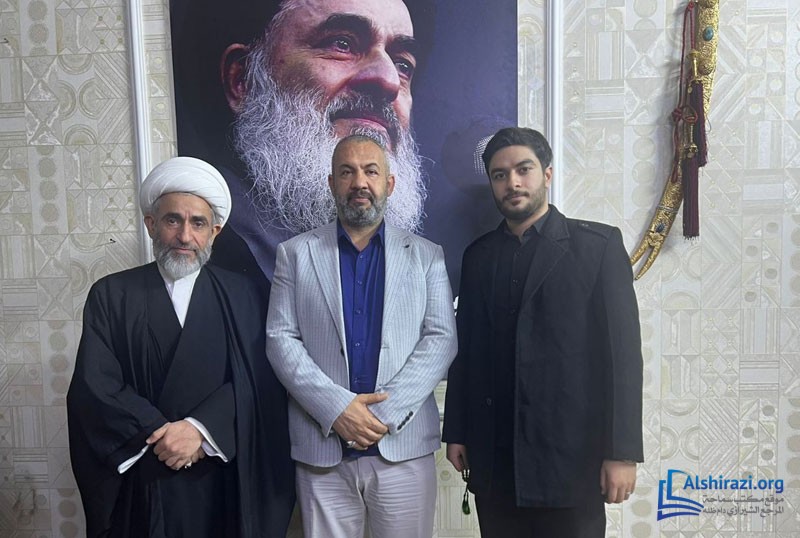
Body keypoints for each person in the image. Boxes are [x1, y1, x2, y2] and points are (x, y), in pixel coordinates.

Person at [66, 157, 295, 538]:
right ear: (151, 224)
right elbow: (96, 386)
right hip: (145, 475)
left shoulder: (246, 295)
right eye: (173, 220)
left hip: (222, 478)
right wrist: (162, 434)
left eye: (198, 223)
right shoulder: (111, 295)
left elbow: (260, 382)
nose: (185, 236)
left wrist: (200, 431)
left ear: (215, 232)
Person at [442, 127, 644, 537]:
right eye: (500, 175)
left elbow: (623, 358)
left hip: (571, 460)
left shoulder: (597, 247)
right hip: (495, 461)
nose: (512, 183)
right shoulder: (478, 257)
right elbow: (467, 353)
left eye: (524, 169)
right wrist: (458, 432)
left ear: (547, 174)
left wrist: (622, 453)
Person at [266, 135, 458, 538]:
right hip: (322, 450)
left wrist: (381, 416)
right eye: (347, 172)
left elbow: (441, 339)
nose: (359, 182)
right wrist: (337, 409)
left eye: (371, 171)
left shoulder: (427, 256)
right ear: (331, 183)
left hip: (403, 446)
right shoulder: (294, 254)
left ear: (389, 183)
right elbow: (281, 340)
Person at [171, 0, 436, 291]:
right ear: (243, 80)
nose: (389, 81)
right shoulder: (205, 262)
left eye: (402, 65)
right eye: (342, 44)